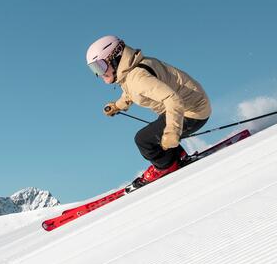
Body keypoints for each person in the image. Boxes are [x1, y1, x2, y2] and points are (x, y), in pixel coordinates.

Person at [85, 35, 212, 184]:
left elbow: (173, 99)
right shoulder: (133, 71)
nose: (99, 74)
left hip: (192, 112)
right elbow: (131, 92)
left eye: (100, 66)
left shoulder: (138, 78)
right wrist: (117, 106)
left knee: (143, 140)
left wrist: (172, 132)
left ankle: (166, 167)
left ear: (115, 57)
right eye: (94, 69)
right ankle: (178, 156)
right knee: (156, 131)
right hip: (191, 105)